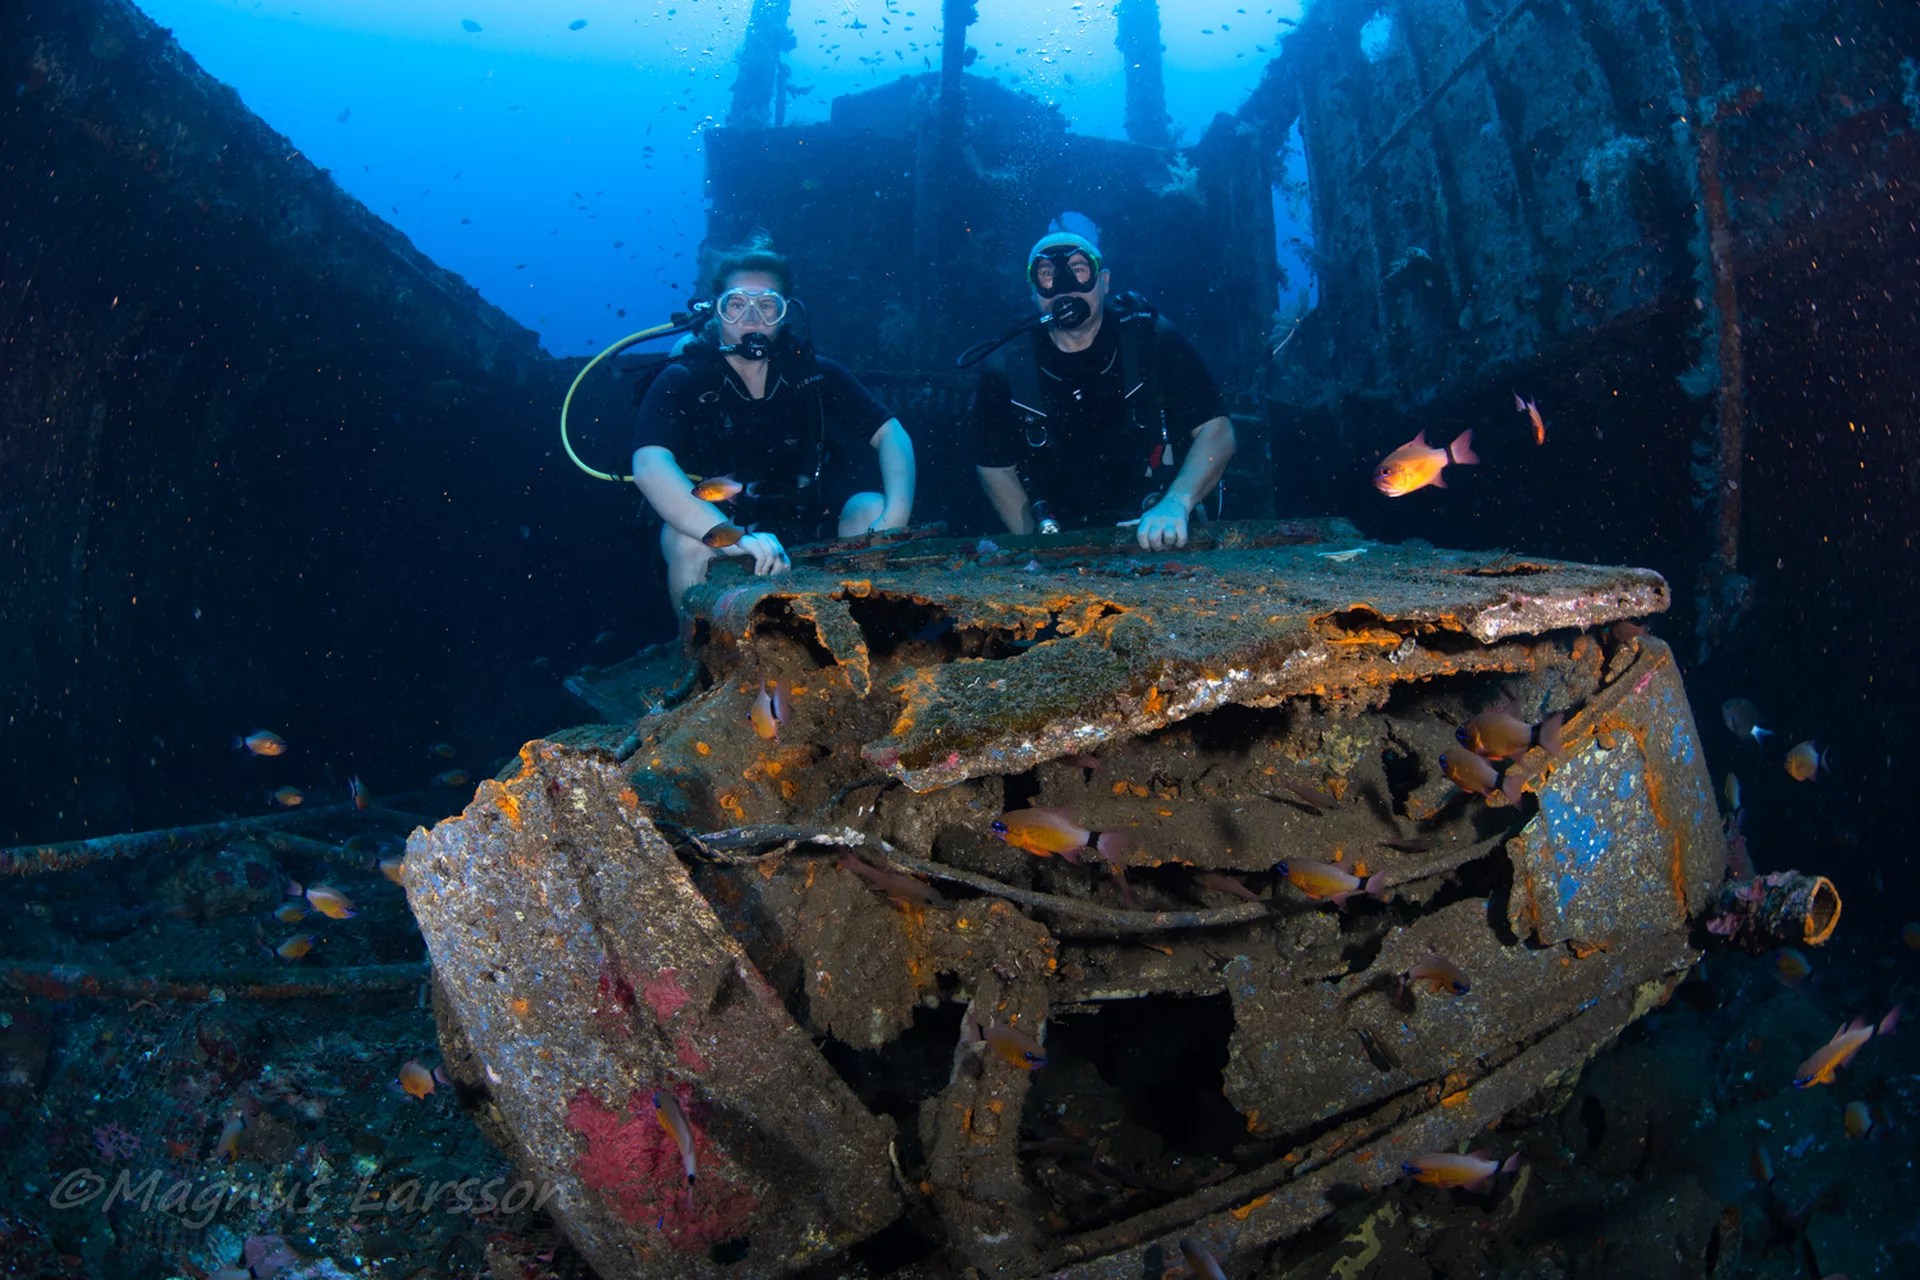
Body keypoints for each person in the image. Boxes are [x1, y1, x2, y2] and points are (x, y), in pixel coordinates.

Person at [631, 239, 916, 613]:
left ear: (785, 313)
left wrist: (894, 517)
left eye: (767, 305)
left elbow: (891, 434)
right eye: (736, 304)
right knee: (685, 542)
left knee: (871, 508)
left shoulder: (815, 374)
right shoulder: (684, 378)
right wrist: (732, 538)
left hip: (809, 517)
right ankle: (696, 645)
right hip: (722, 521)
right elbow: (649, 464)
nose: (752, 319)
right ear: (716, 311)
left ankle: (860, 627)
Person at [971, 232, 1235, 550]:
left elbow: (1217, 430)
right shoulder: (1006, 367)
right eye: (1048, 274)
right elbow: (995, 468)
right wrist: (1036, 545)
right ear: (1033, 290)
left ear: (1104, 281)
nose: (1065, 287)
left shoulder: (1152, 338)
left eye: (1078, 270)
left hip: (1157, 529)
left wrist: (1177, 501)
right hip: (1060, 536)